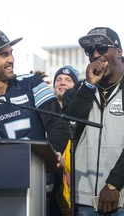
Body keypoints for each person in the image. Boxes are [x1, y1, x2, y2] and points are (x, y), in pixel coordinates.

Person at [0, 29, 71, 215]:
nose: (11, 59)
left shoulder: (32, 83)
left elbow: (58, 123)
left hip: (39, 190)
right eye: (3, 54)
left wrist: (54, 153)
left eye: (11, 53)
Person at [63, 27, 124, 215]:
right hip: (84, 199)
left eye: (102, 47)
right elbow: (68, 125)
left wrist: (114, 184)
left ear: (119, 52)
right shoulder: (83, 88)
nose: (96, 54)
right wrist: (89, 86)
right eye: (90, 50)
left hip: (120, 198)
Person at [52, 65, 79, 216]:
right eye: (59, 80)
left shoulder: (81, 113)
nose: (62, 83)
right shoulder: (46, 114)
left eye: (68, 80)